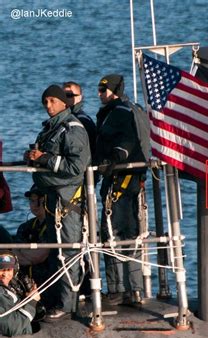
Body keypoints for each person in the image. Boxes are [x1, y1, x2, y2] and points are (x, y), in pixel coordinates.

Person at [25, 84, 90, 321]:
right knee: (56, 252)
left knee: (68, 252)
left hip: (68, 201)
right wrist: (32, 157)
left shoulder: (72, 129)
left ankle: (67, 304)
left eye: (52, 101)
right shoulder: (52, 129)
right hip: (53, 202)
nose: (48, 106)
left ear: (64, 102)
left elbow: (76, 167)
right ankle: (55, 300)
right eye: (45, 102)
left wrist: (45, 159)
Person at [95, 74, 145, 305]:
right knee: (128, 233)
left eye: (103, 90)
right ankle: (132, 289)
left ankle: (120, 289)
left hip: (121, 181)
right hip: (123, 180)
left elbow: (127, 141)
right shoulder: (122, 110)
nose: (99, 94)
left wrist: (114, 158)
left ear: (114, 90)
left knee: (115, 232)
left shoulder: (121, 113)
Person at [13, 185, 52, 308]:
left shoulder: (55, 227)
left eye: (39, 201)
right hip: (26, 284)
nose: (34, 205)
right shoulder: (25, 227)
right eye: (32, 200)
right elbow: (14, 254)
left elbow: (38, 256)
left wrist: (21, 255)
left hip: (48, 283)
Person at [0, 250, 41, 337]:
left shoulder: (12, 284)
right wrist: (32, 302)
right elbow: (13, 327)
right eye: (1, 269)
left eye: (9, 270)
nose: (5, 274)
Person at [63, 81, 97, 155]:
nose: (65, 98)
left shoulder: (83, 120)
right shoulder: (64, 118)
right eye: (63, 95)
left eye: (69, 95)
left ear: (80, 97)